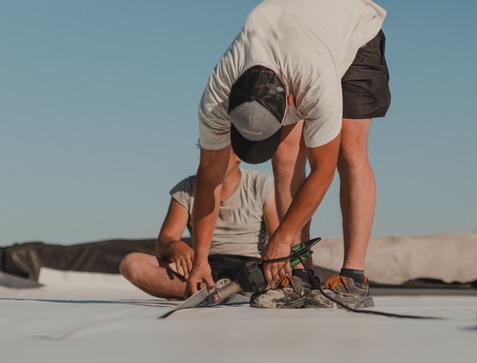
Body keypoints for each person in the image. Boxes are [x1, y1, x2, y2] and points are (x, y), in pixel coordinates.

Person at [188, 0, 390, 310]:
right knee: (283, 156)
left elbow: (322, 171)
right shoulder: (218, 92)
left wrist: (279, 237)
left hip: (351, 29)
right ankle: (298, 272)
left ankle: (353, 278)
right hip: (292, 36)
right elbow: (209, 177)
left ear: (291, 100)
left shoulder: (314, 81)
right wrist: (200, 258)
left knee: (348, 152)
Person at [120, 152, 279, 299]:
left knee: (279, 266)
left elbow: (277, 243)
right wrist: (175, 247)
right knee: (131, 264)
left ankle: (224, 291)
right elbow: (164, 242)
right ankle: (211, 290)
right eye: (208, 150)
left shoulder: (261, 184)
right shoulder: (186, 188)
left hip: (249, 269)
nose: (212, 155)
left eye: (221, 150)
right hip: (203, 267)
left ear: (238, 155)